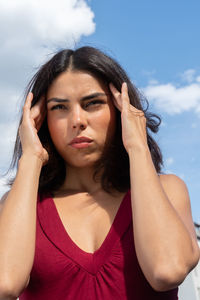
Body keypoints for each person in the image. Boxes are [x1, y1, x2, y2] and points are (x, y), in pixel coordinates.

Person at [0, 46, 199, 300]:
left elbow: (167, 270)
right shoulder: (19, 206)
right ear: (40, 121)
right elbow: (5, 284)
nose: (77, 120)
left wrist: (137, 146)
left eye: (93, 103)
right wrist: (30, 157)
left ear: (120, 110)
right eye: (59, 108)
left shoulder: (168, 190)